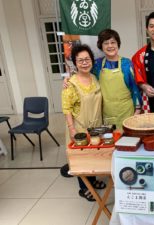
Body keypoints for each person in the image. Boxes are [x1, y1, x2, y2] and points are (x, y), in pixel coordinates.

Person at [61, 44, 106, 201]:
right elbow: (66, 108)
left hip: (96, 124)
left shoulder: (94, 78)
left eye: (87, 59)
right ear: (75, 62)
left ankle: (92, 181)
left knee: (93, 154)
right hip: (79, 126)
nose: (84, 63)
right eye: (80, 60)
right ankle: (84, 187)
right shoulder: (71, 83)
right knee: (81, 157)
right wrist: (72, 129)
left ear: (92, 61)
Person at [92, 29, 142, 130]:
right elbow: (84, 77)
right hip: (107, 113)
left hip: (127, 113)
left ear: (118, 44)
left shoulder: (127, 64)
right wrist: (67, 80)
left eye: (113, 42)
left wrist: (137, 110)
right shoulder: (97, 65)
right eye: (106, 43)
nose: (110, 46)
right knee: (111, 141)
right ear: (101, 46)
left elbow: (135, 89)